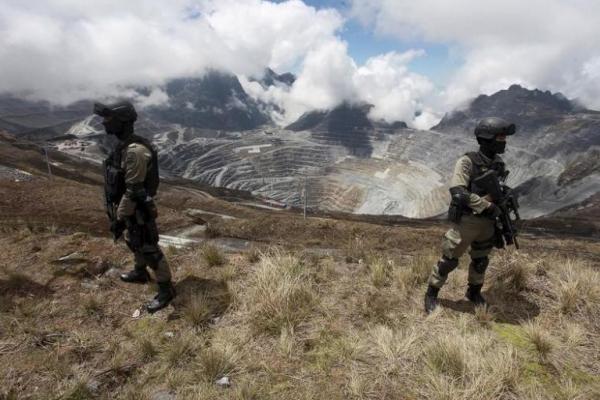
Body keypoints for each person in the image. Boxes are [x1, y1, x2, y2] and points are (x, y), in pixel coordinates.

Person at [424, 117, 516, 314]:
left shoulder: (498, 163)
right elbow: (458, 191)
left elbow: (497, 189)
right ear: (487, 139)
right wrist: (486, 206)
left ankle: (474, 292)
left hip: (488, 224)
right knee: (449, 260)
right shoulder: (467, 162)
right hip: (467, 221)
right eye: (500, 138)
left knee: (481, 260)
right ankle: (431, 294)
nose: (504, 142)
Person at [94, 100, 175, 313]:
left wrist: (119, 218)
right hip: (128, 208)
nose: (104, 124)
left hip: (137, 208)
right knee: (133, 240)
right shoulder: (123, 147)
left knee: (149, 247)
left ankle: (166, 289)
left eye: (109, 120)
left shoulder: (135, 151)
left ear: (122, 122)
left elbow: (133, 190)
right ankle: (140, 272)